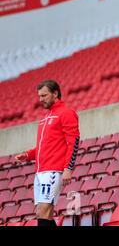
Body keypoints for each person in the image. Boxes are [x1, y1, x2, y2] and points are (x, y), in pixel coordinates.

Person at [15, 80, 80, 227]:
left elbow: (73, 142)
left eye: (44, 95)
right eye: (39, 96)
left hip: (52, 170)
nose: (41, 99)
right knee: (45, 214)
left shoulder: (66, 113)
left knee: (42, 212)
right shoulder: (44, 118)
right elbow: (43, 146)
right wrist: (27, 155)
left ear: (55, 93)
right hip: (40, 171)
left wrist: (68, 168)